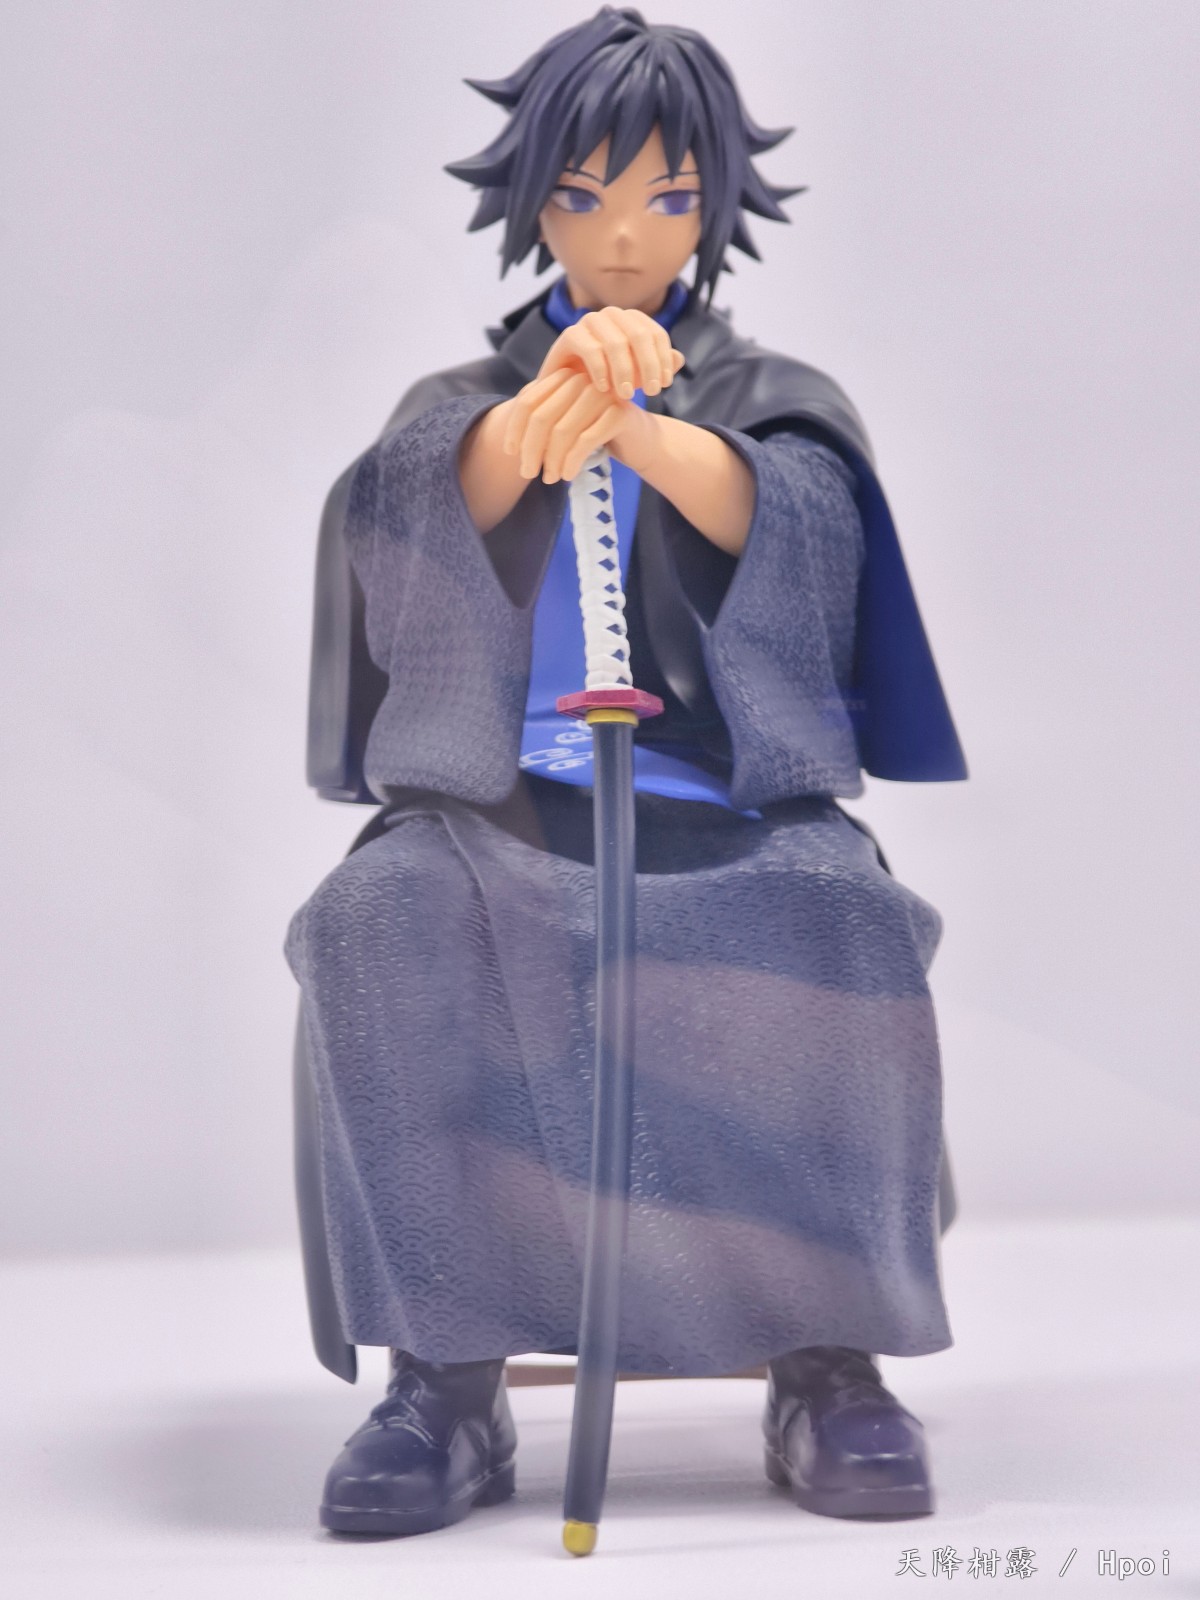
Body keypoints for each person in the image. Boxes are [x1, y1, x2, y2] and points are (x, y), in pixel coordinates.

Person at [285, 6, 968, 1540]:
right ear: (532, 204)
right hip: (500, 802)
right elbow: (401, 512)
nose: (619, 240)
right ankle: (444, 1372)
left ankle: (827, 1354)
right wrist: (532, 427)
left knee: (842, 915)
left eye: (665, 199)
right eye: (583, 197)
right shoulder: (457, 405)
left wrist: (649, 433)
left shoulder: (773, 388)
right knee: (377, 923)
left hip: (720, 796)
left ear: (713, 209)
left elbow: (807, 526)